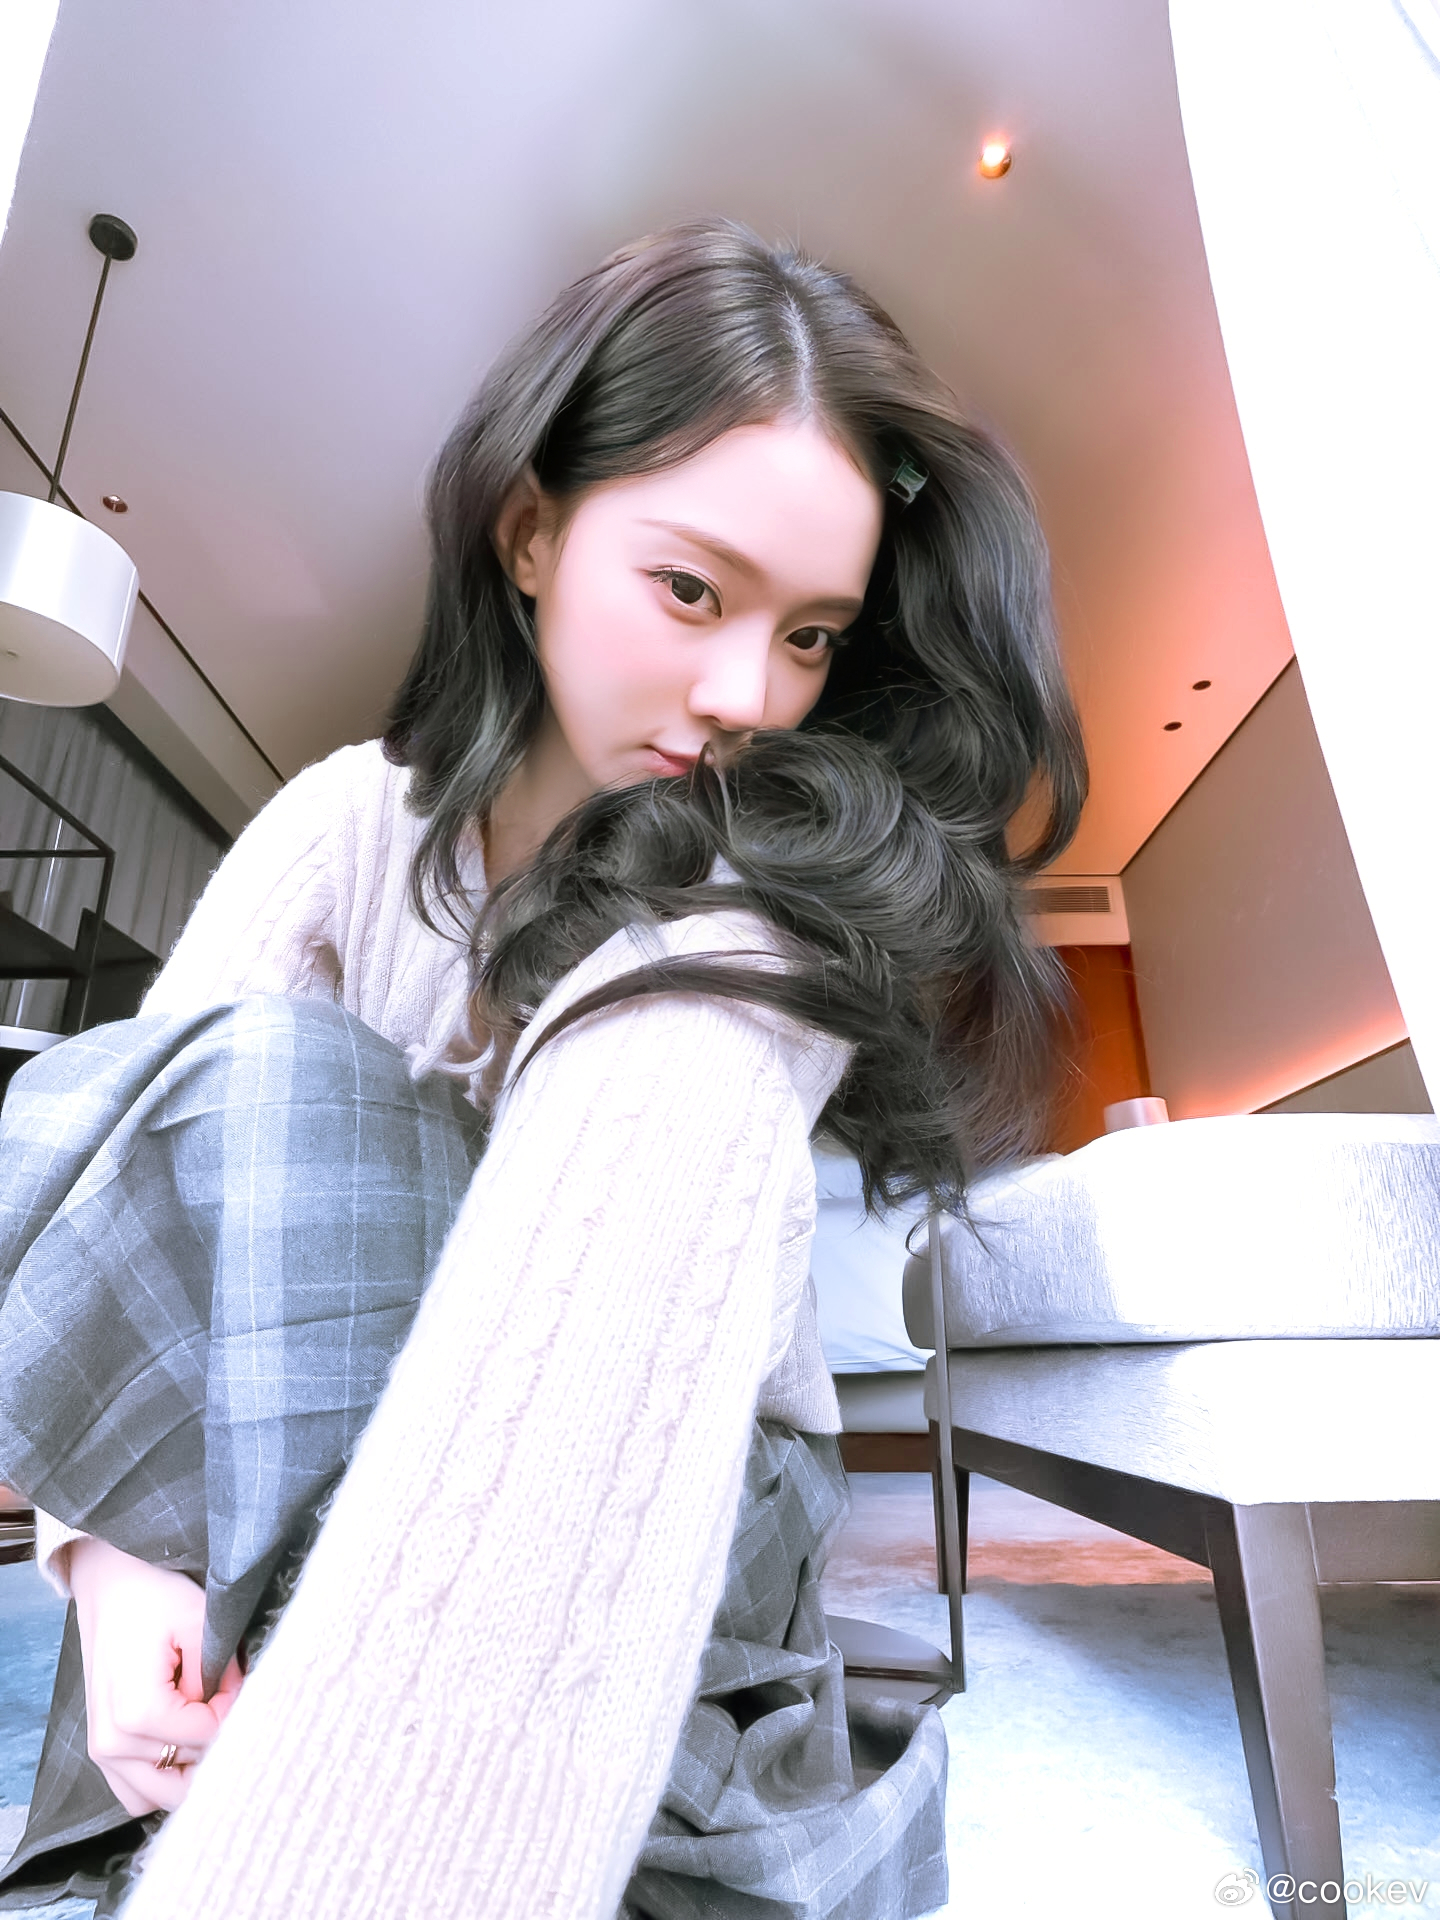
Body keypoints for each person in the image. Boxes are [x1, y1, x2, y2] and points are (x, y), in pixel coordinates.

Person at [0, 218, 1085, 1919]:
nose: (750, 693)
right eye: (693, 590)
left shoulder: (760, 899)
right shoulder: (351, 822)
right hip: (322, 1431)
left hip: (680, 1486)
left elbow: (600, 1323)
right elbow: (137, 1181)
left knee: (324, 1093)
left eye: (812, 635)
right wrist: (110, 1559)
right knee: (214, 1081)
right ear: (530, 533)